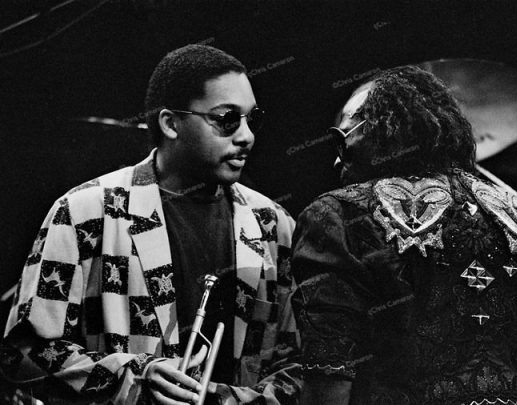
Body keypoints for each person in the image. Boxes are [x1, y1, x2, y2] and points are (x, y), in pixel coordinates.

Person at [1, 44, 301, 404]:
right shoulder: (83, 213)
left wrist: (228, 399)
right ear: (170, 124)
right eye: (227, 119)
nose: (247, 135)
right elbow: (21, 353)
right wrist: (132, 377)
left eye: (253, 118)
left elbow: (305, 364)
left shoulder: (274, 225)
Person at [291, 66, 517, 405]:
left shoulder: (337, 216)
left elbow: (327, 377)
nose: (336, 161)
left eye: (341, 139)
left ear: (381, 127)